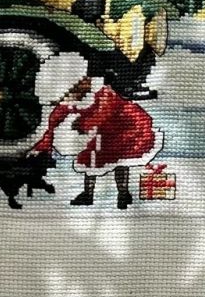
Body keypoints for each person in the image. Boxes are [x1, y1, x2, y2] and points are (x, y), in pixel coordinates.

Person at [43, 66, 164, 210]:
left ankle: (122, 194)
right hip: (105, 131)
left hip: (124, 129)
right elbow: (62, 114)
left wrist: (83, 125)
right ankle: (91, 194)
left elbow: (102, 113)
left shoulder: (103, 93)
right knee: (93, 159)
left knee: (119, 160)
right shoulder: (80, 96)